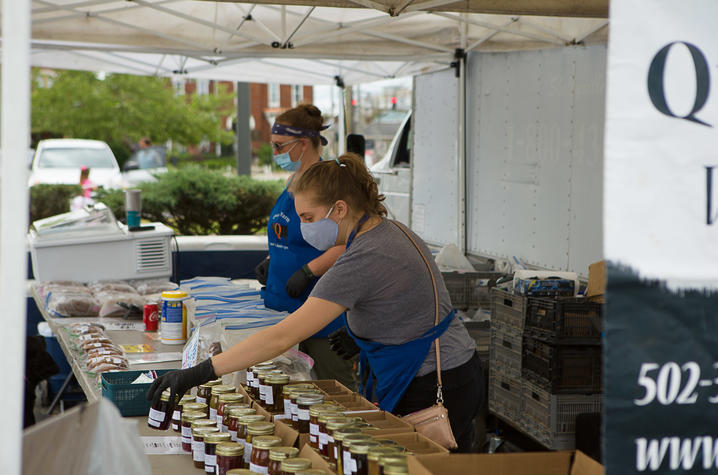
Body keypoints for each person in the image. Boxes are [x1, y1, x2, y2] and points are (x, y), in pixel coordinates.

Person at [148, 153, 484, 452]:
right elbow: (406, 300)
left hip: (435, 382)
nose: (304, 228)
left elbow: (281, 337)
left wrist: (199, 373)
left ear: (340, 209)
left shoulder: (362, 257)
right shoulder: (392, 231)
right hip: (453, 369)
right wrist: (359, 333)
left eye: (308, 218)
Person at [254, 104, 354, 388]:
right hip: (284, 308)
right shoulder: (294, 178)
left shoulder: (329, 181)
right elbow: (291, 232)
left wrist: (309, 271)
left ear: (302, 144)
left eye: (279, 146)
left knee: (333, 393)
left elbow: (350, 242)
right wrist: (272, 259)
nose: (275, 154)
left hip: (319, 313)